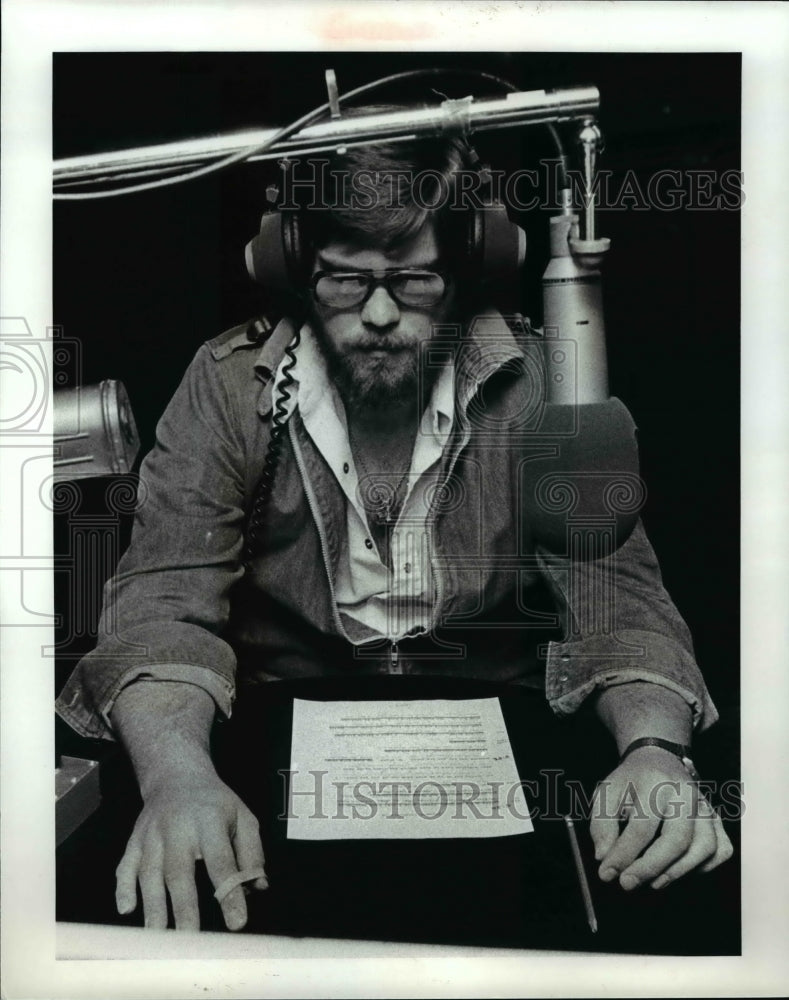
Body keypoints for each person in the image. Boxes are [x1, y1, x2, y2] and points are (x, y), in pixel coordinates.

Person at [55, 132, 733, 933]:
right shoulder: (230, 384)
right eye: (345, 280)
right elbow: (164, 599)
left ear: (464, 271)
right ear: (292, 271)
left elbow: (614, 594)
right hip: (268, 746)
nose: (378, 314)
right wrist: (174, 779)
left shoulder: (542, 386)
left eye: (413, 279)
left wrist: (655, 751)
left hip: (505, 745)